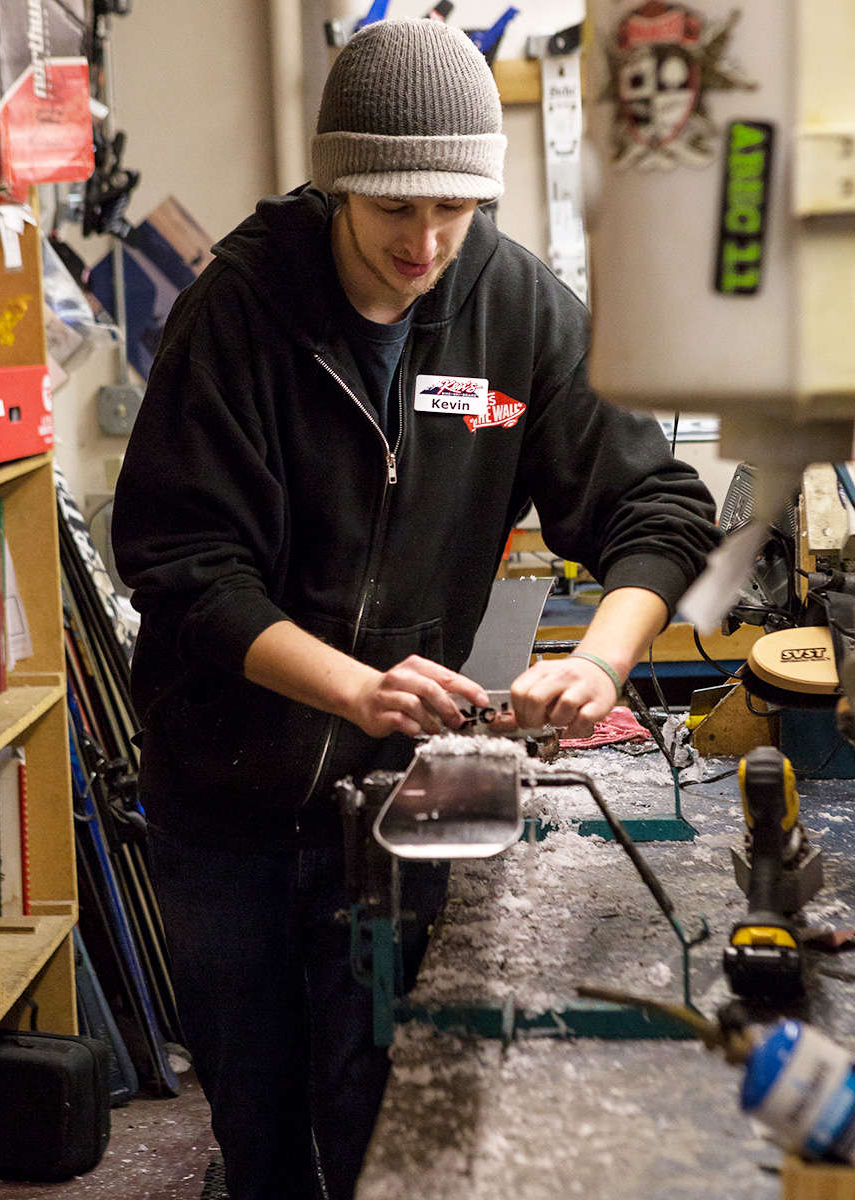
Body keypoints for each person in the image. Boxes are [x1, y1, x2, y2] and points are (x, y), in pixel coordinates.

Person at [111, 17, 719, 1199]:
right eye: (396, 208)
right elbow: (185, 570)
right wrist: (354, 683)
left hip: (396, 803)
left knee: (386, 1112)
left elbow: (656, 508)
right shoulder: (239, 309)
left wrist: (599, 661)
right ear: (338, 183)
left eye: (455, 208)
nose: (426, 240)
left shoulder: (517, 308)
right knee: (262, 1127)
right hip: (227, 798)